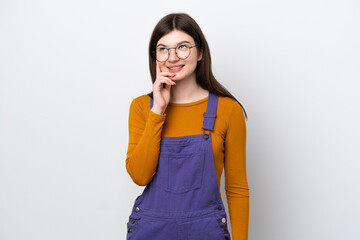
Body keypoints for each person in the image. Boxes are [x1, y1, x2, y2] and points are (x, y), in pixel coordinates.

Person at [125, 13, 249, 240]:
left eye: (182, 47)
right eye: (163, 49)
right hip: (152, 231)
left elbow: (237, 189)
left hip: (206, 231)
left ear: (200, 52)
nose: (172, 57)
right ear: (155, 57)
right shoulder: (143, 107)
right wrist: (158, 111)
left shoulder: (228, 110)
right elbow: (140, 176)